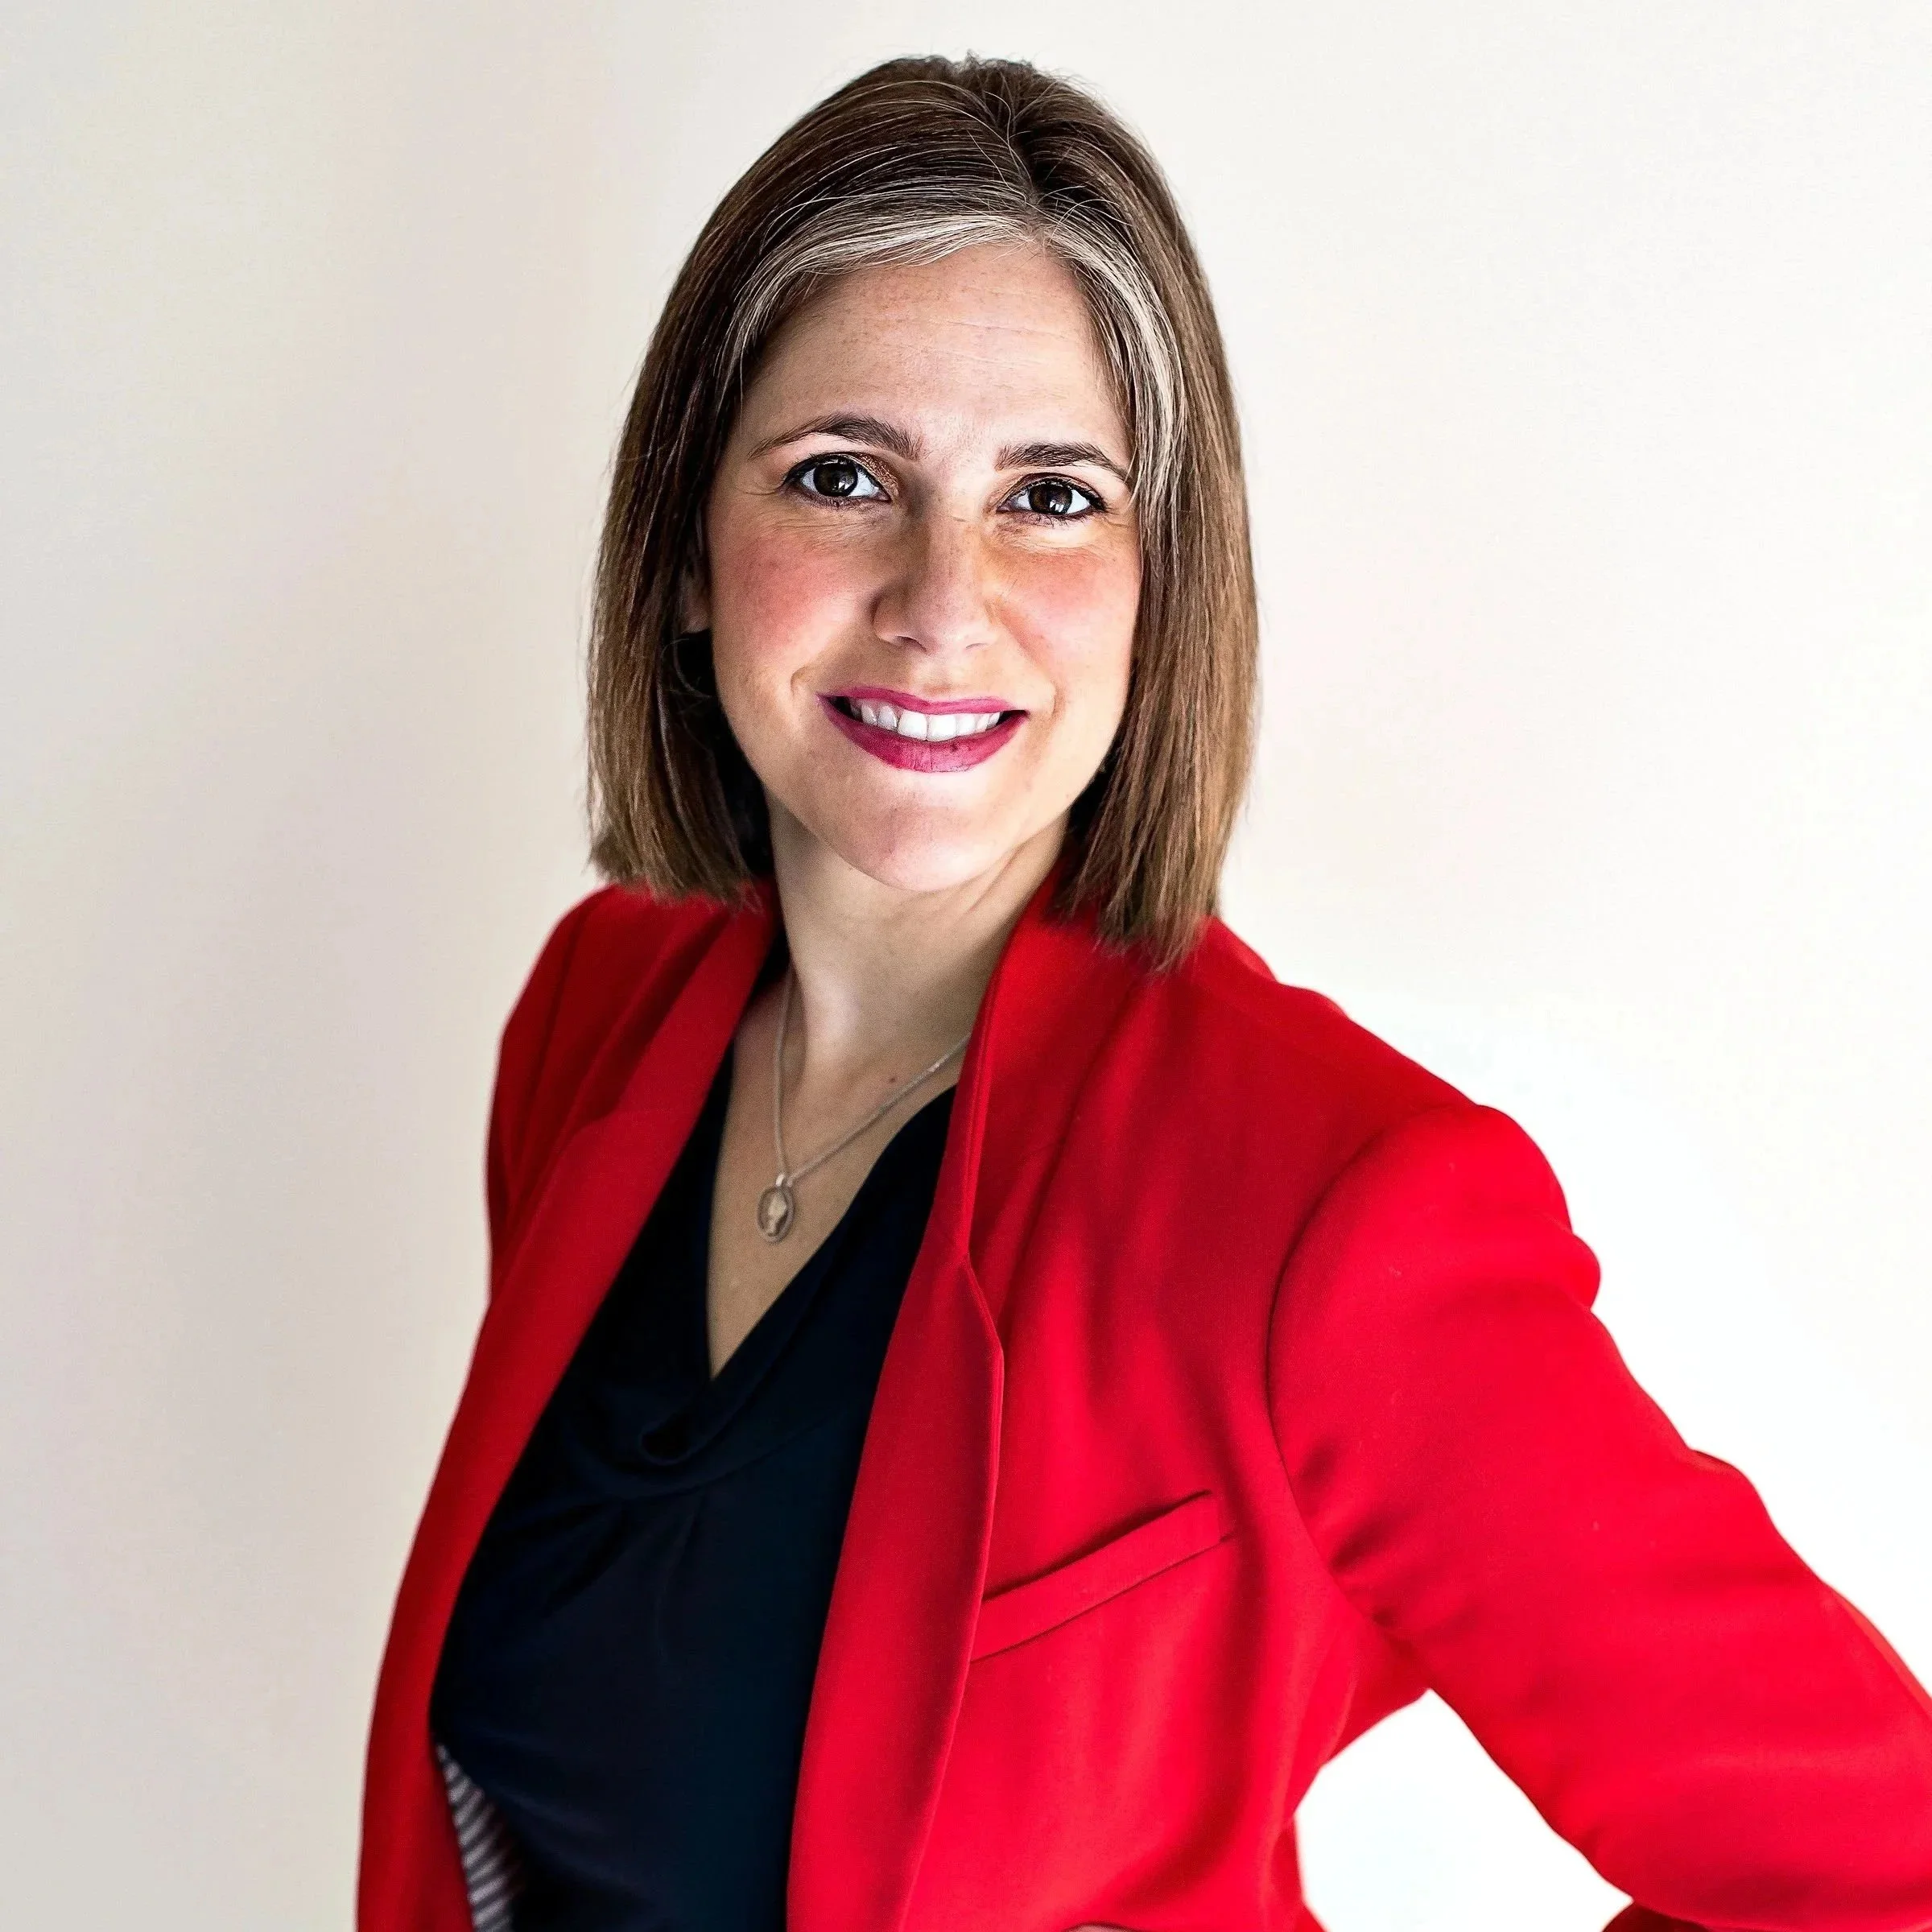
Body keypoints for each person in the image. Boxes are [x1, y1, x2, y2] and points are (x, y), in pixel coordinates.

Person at [358, 53, 1932, 1932]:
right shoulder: (595, 1020)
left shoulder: (1338, 1207)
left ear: (1158, 584)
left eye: (1052, 495)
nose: (946, 599)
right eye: (841, 476)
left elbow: (1878, 1861)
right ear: (693, 556)